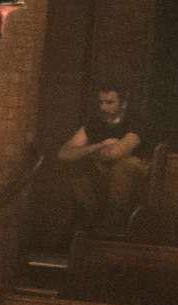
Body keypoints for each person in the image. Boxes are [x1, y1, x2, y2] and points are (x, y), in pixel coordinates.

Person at [57, 83, 148, 234]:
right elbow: (64, 153)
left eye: (109, 102)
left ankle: (112, 228)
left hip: (134, 174)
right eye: (101, 102)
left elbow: (116, 154)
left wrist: (85, 151)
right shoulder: (94, 123)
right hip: (101, 170)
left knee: (124, 166)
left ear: (123, 104)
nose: (103, 108)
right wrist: (98, 145)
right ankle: (92, 222)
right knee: (76, 166)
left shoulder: (135, 122)